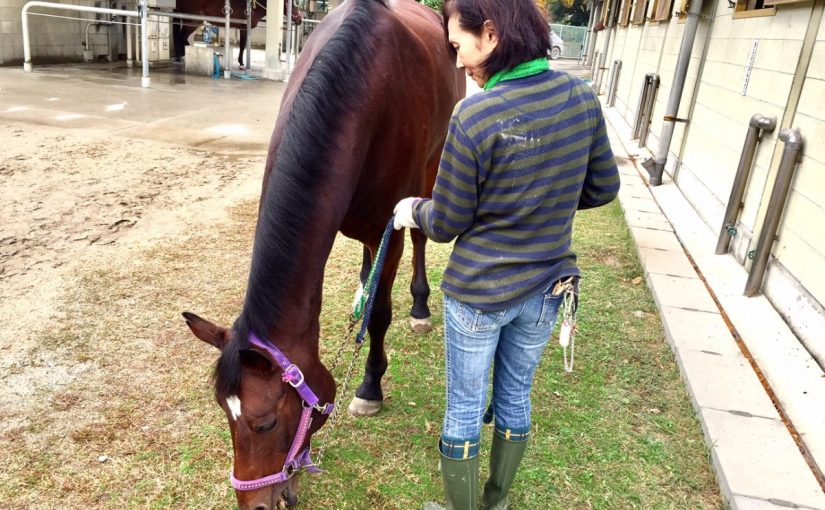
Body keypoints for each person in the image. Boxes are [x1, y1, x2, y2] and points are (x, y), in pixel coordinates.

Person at [392, 0, 620, 508]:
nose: (456, 63)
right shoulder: (582, 98)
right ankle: (494, 502)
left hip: (478, 296)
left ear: (490, 35)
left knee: (464, 408)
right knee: (515, 395)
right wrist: (548, 198)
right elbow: (604, 187)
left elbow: (447, 222)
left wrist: (412, 209)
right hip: (548, 291)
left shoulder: (474, 116)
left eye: (457, 46)